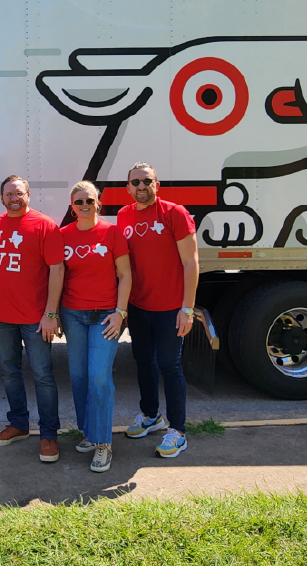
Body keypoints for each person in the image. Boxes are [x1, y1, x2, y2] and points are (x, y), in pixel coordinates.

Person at [117, 162, 199, 458]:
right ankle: (151, 416)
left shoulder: (174, 213)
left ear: (157, 184)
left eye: (146, 181)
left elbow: (191, 263)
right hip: (139, 306)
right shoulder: (124, 215)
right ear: (128, 188)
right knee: (143, 362)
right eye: (135, 182)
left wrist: (187, 309)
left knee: (170, 365)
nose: (141, 187)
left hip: (170, 308)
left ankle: (177, 431)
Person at [0, 175, 65, 462]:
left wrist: (50, 314)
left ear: (29, 195)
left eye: (19, 193)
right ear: (2, 198)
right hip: (2, 316)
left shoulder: (45, 225)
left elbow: (57, 271)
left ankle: (48, 435)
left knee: (43, 376)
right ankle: (19, 424)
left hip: (36, 318)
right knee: (9, 372)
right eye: (9, 194)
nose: (14, 198)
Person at [59, 181, 132, 472]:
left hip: (105, 315)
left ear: (98, 203)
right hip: (73, 314)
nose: (84, 205)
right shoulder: (63, 235)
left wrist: (120, 313)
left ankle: (104, 444)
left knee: (99, 377)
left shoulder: (112, 233)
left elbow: (125, 275)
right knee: (78, 377)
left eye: (89, 200)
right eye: (79, 202)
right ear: (72, 206)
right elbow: (57, 275)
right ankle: (89, 432)